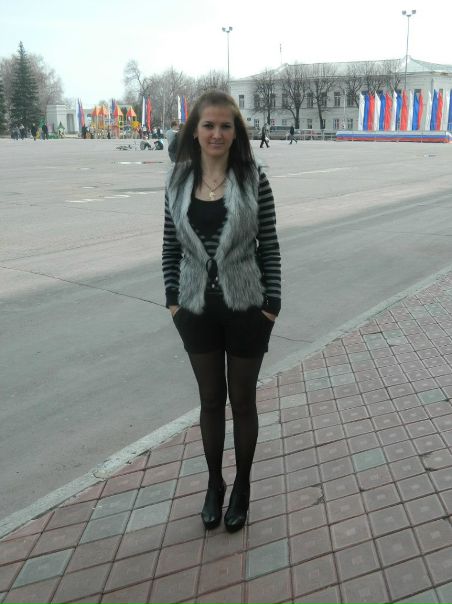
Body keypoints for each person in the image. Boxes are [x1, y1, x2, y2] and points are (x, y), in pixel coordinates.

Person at [162, 90, 281, 532]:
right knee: (210, 401)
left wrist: (272, 306)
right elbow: (170, 245)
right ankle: (215, 484)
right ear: (194, 131)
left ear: (236, 132)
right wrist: (173, 301)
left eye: (225, 126)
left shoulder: (254, 178)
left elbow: (269, 244)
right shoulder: (177, 181)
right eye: (208, 125)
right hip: (195, 310)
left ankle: (243, 487)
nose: (216, 133)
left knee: (242, 402)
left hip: (248, 308)